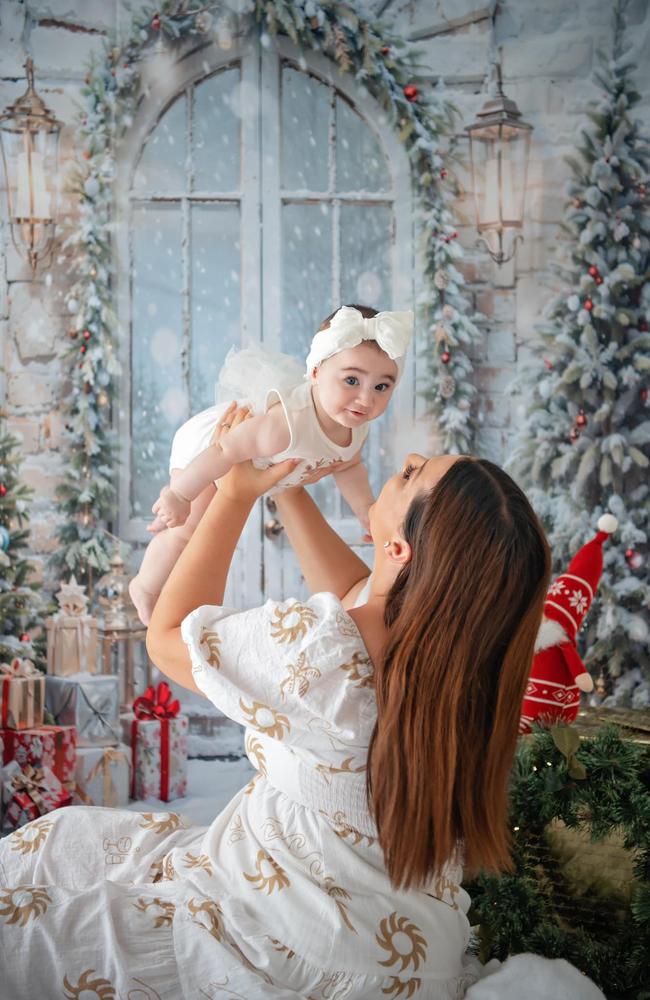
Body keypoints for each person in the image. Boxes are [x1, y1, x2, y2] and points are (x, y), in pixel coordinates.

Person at [0, 410, 566, 1000]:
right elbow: (361, 590)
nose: (398, 468)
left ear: (399, 547)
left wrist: (235, 492)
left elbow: (169, 636)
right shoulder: (466, 662)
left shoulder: (321, 652)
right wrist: (288, 490)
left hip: (281, 939)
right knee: (72, 843)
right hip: (401, 955)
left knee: (37, 909)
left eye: (408, 475)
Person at [128, 303, 413, 626]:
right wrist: (179, 495)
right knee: (186, 531)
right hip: (209, 448)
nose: (366, 399)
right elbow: (224, 450)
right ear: (316, 372)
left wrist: (367, 511)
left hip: (247, 461)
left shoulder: (356, 425)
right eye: (351, 381)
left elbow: (348, 466)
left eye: (381, 387)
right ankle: (145, 587)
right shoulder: (286, 424)